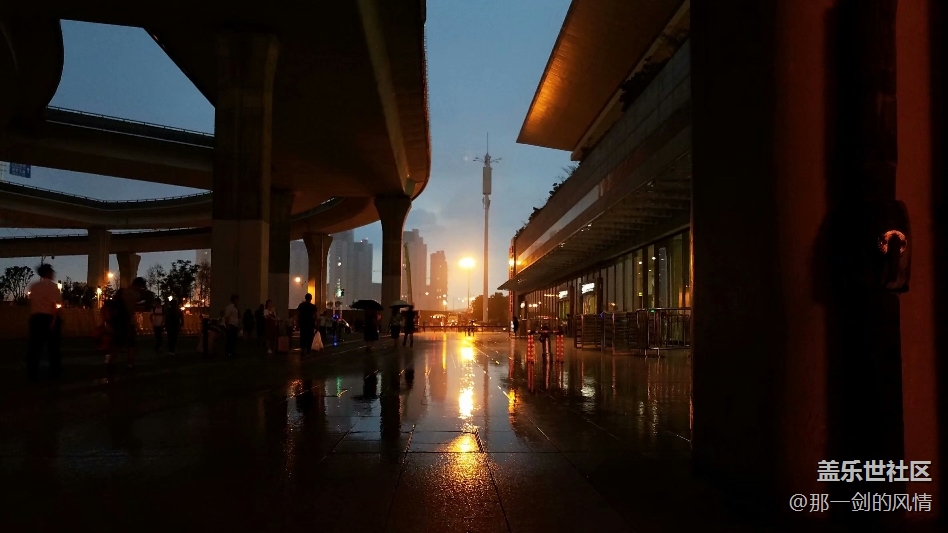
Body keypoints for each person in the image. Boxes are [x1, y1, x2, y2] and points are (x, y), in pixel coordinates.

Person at [25, 263, 62, 382]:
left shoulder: (34, 286)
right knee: (53, 348)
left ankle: (32, 373)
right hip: (48, 318)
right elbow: (55, 305)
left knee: (35, 347)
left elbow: (32, 303)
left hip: (35, 318)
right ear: (49, 273)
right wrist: (54, 321)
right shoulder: (53, 287)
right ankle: (54, 373)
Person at [111, 277, 147, 369]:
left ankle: (111, 360)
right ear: (139, 286)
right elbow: (140, 308)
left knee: (117, 343)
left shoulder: (122, 291)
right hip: (129, 321)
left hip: (118, 321)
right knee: (131, 344)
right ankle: (130, 363)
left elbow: (113, 303)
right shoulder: (138, 295)